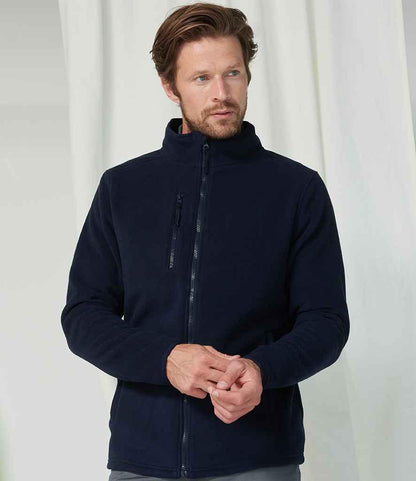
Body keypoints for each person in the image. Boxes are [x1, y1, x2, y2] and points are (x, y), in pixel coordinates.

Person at [61, 3, 350, 480]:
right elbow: (83, 316)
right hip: (143, 459)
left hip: (258, 457)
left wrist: (261, 370)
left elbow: (326, 321)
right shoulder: (123, 188)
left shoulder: (296, 189)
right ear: (169, 86)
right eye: (201, 78)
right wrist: (166, 360)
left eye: (232, 73)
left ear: (248, 75)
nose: (221, 93)